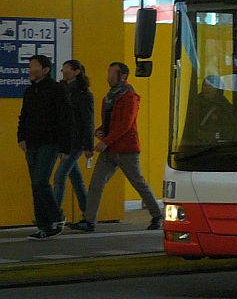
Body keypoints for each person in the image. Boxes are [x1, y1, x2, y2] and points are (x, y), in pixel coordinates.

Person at [67, 61, 163, 233]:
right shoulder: (109, 97)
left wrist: (105, 141)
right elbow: (110, 123)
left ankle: (157, 215)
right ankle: (89, 220)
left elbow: (125, 124)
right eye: (108, 73)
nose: (108, 77)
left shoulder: (129, 97)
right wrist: (100, 131)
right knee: (96, 184)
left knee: (138, 183)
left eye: (112, 73)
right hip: (111, 149)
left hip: (126, 149)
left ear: (123, 76)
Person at [17, 54, 73, 239]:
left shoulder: (56, 90)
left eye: (34, 66)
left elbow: (66, 119)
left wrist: (65, 147)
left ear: (45, 70)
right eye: (30, 66)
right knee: (36, 185)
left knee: (40, 181)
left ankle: (57, 217)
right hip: (31, 144)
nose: (30, 70)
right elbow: (23, 116)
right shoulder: (30, 92)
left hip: (49, 143)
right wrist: (21, 137)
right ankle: (43, 225)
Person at [53, 59, 94, 226]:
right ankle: (88, 215)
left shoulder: (84, 95)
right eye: (63, 69)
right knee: (76, 178)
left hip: (75, 142)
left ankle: (53, 214)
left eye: (66, 69)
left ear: (77, 71)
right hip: (64, 141)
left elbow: (87, 120)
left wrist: (88, 145)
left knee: (60, 176)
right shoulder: (61, 91)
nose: (63, 72)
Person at [194, 74, 234, 142]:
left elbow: (230, 130)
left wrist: (214, 135)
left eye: (211, 86)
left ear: (218, 89)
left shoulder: (225, 106)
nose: (207, 88)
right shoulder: (194, 103)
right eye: (205, 85)